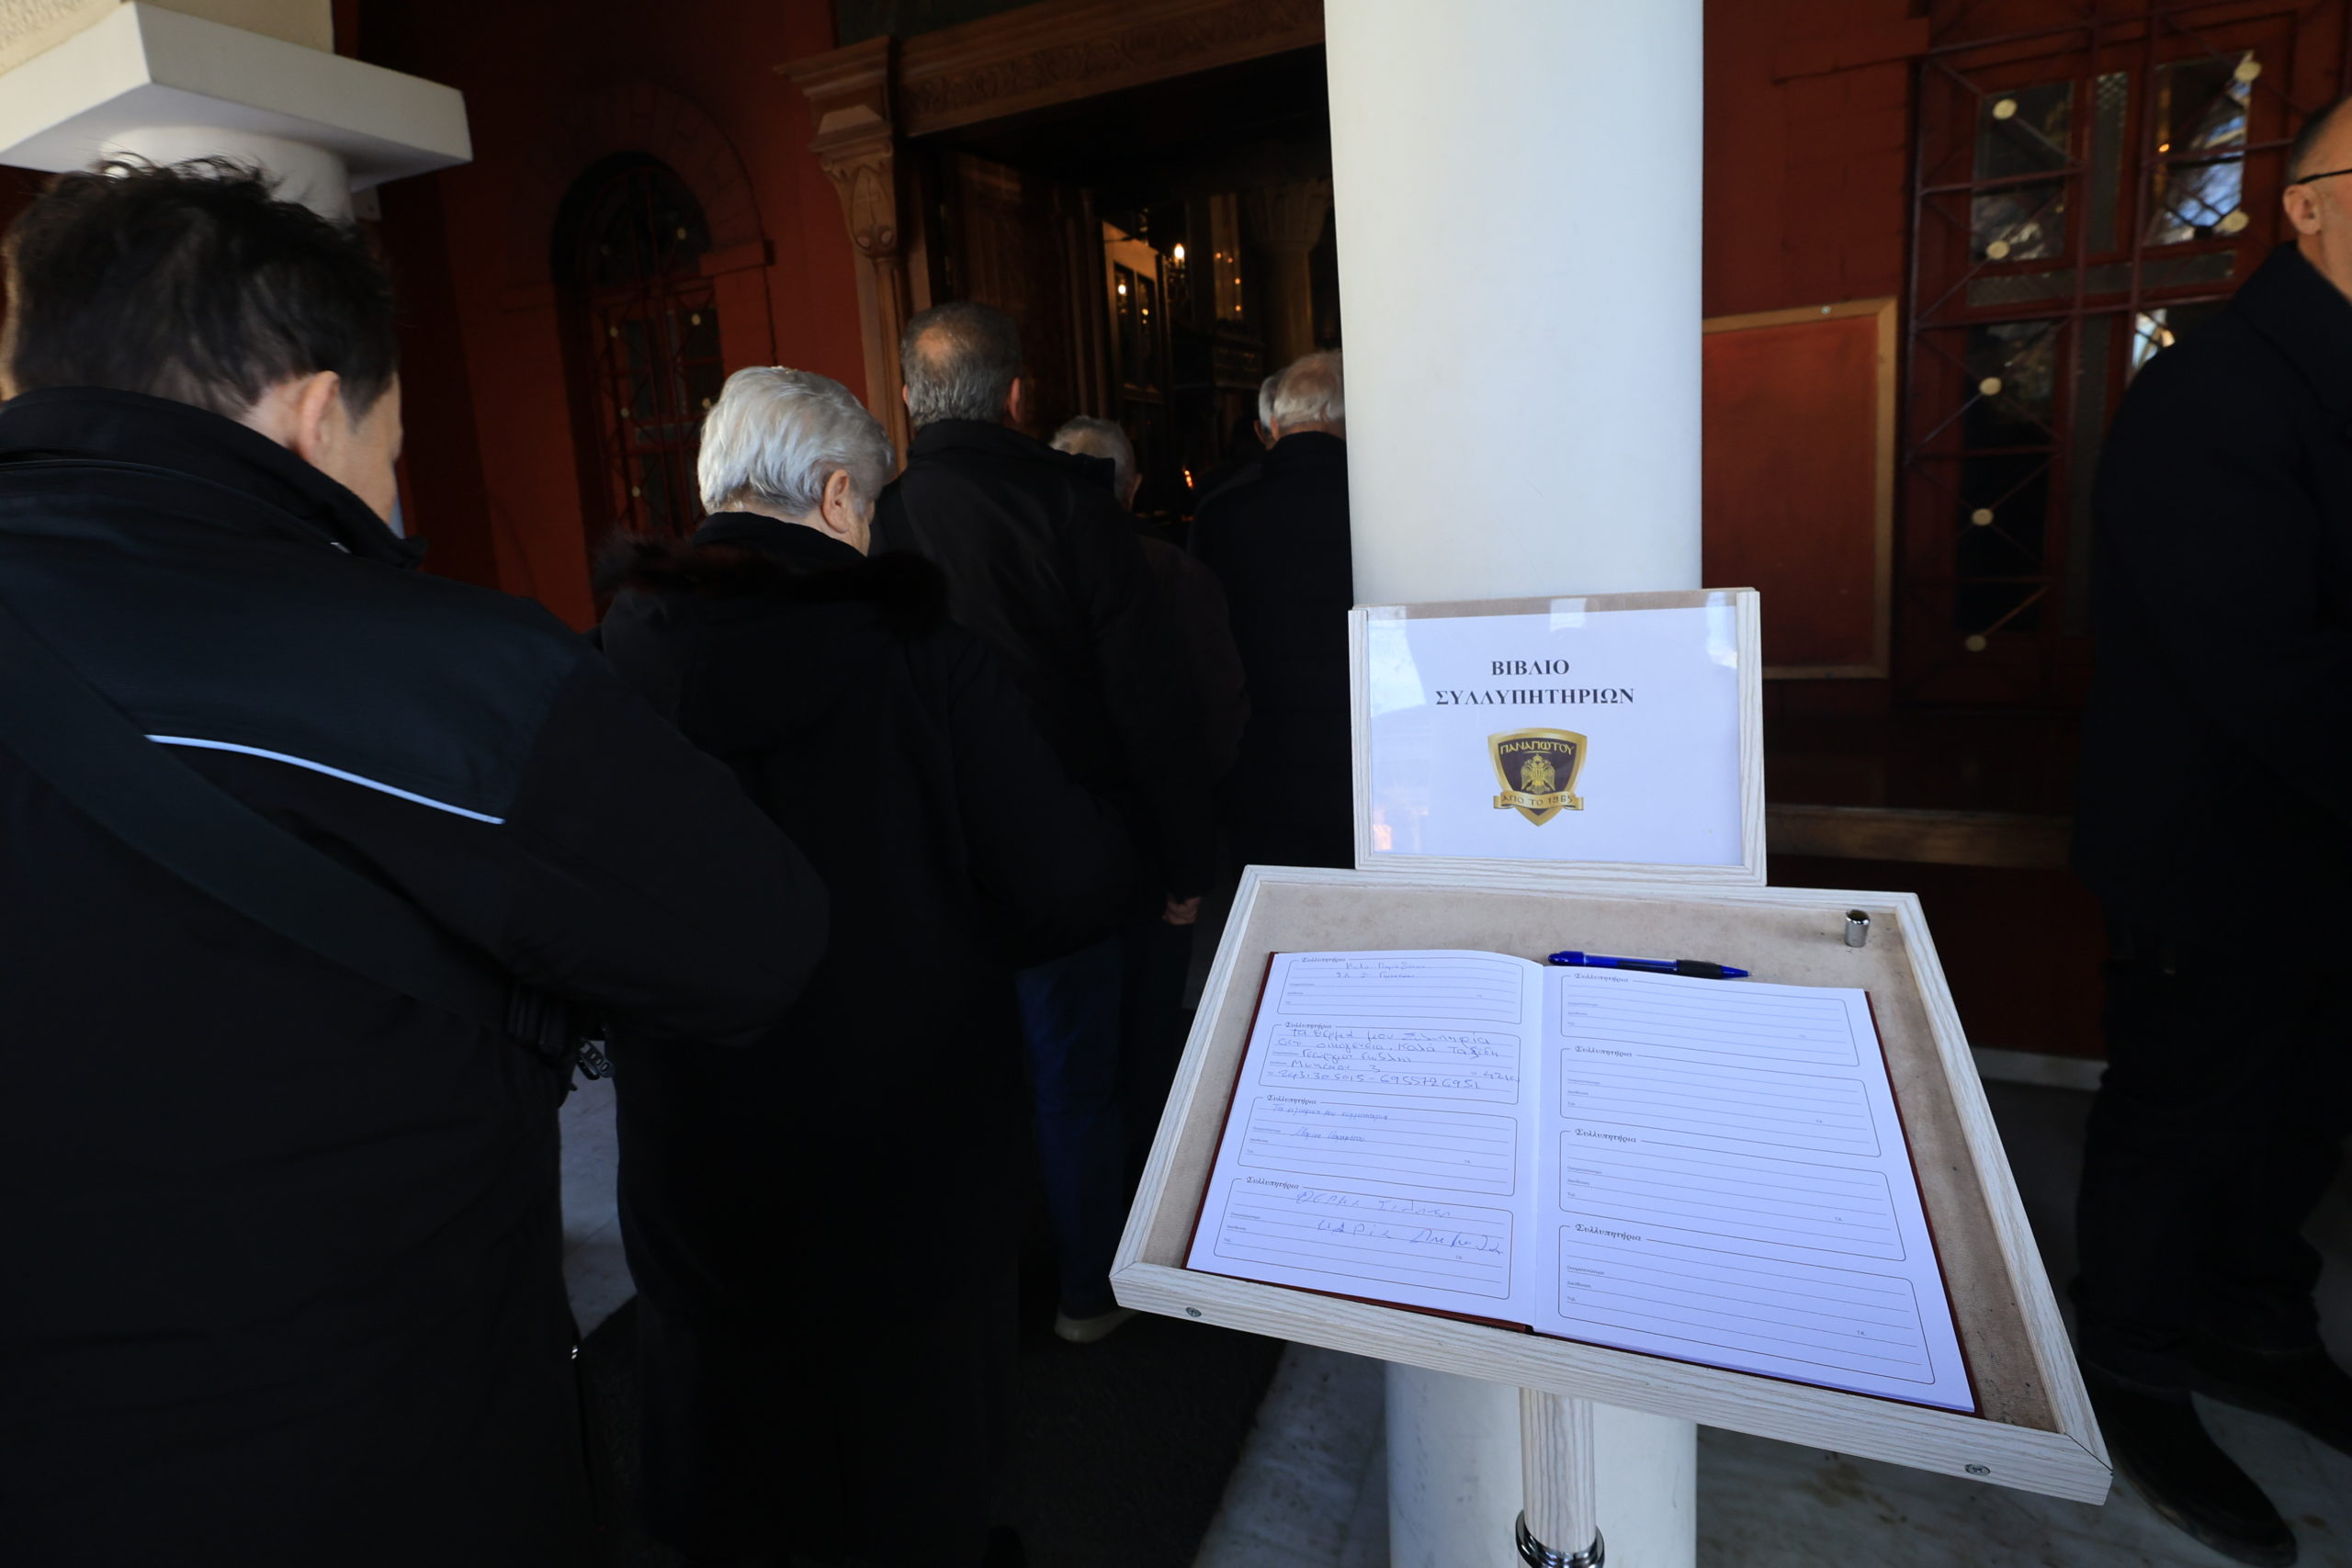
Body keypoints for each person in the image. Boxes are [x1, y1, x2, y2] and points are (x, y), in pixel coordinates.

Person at [0, 161, 828, 1567]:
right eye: (390, 449)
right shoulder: (448, 674)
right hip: (367, 1453)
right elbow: (761, 937)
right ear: (318, 412)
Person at [599, 368, 1132, 1568]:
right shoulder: (925, 657)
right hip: (908, 1135)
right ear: (839, 495)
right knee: (910, 1449)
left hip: (694, 1131)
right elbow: (1061, 879)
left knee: (735, 1442)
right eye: (875, 503)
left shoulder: (613, 660)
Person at [2074, 96, 2352, 1567]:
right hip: (2217, 846)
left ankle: (2256, 1323)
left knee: (2306, 1111)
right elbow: (2261, 662)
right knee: (2179, 1121)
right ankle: (2132, 1364)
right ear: (2306, 206)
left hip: (2329, 848)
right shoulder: (2217, 391)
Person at [876, 302, 1213, 1341]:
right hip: (1075, 850)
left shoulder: (880, 518)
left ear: (909, 397)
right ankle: (1089, 1293)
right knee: (1081, 1078)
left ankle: (979, 1305)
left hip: (941, 854)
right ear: (1019, 395)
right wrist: (1184, 859)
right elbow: (1145, 700)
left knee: (974, 1077)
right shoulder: (1072, 505)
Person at [1051, 415, 1248, 1172]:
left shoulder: (1031, 573)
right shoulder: (1175, 572)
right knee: (1151, 1040)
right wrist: (1191, 857)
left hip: (1064, 850)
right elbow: (1218, 718)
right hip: (1159, 846)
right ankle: (1157, 1187)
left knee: (1074, 1054)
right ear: (1131, 486)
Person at [1189, 350, 1355, 872]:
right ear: (1345, 418)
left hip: (1259, 762)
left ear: (1277, 424)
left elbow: (1202, 650)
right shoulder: (1380, 506)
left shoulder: (1222, 512)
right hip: (1366, 760)